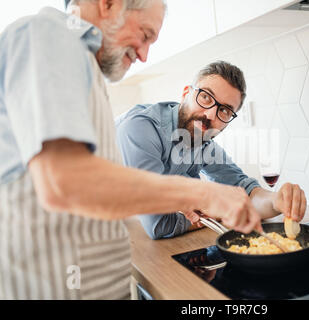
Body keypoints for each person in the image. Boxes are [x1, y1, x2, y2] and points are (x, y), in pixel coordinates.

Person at [0, 0, 261, 300]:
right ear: (108, 4)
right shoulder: (49, 36)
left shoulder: (83, 69)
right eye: (145, 33)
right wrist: (203, 194)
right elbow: (63, 183)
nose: (144, 54)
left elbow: (94, 191)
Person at [115, 61, 307, 240]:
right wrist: (219, 212)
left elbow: (244, 190)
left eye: (224, 110)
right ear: (185, 94)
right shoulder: (141, 128)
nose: (210, 115)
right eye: (206, 97)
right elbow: (158, 225)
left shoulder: (203, 144)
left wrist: (276, 201)